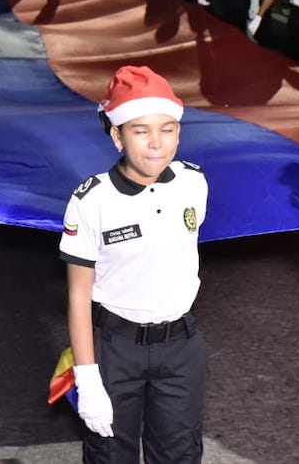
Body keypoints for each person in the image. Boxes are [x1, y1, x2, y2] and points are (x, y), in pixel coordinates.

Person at [60, 65, 208, 464]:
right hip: (115, 348)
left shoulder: (194, 184)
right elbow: (78, 294)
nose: (157, 144)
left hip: (181, 345)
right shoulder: (91, 201)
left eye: (168, 129)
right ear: (117, 136)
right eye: (141, 131)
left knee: (179, 454)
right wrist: (88, 379)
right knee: (109, 454)